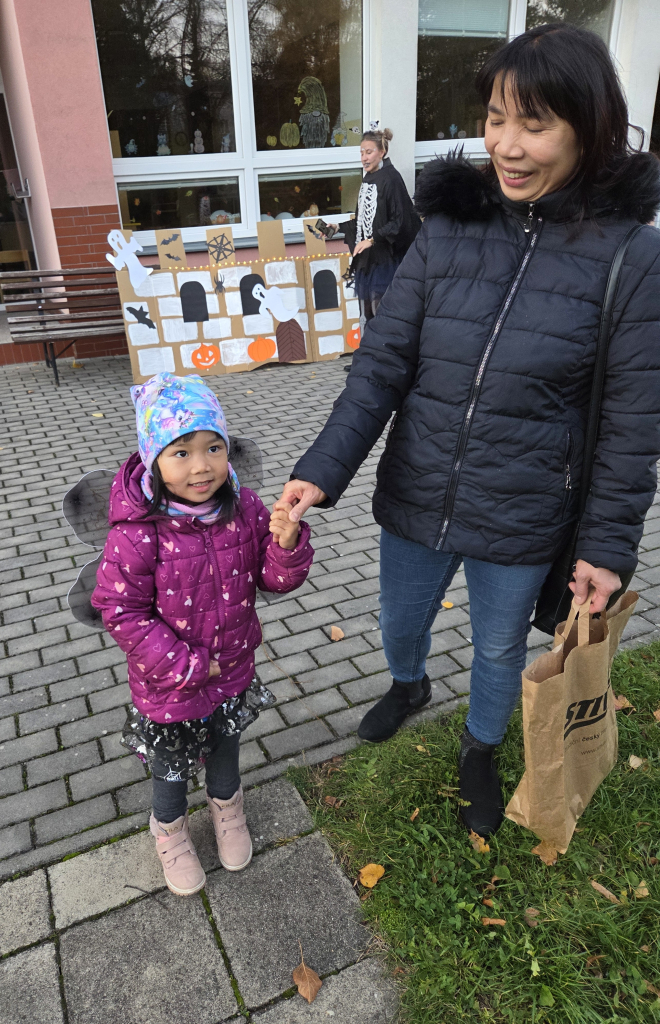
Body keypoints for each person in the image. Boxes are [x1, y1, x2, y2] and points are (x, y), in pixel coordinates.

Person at [279, 24, 660, 838]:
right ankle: (409, 683)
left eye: (535, 124)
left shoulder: (633, 255)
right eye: (495, 118)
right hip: (418, 487)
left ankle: (480, 749)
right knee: (399, 622)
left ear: (588, 128)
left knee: (494, 652)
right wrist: (322, 465)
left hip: (523, 509)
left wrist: (608, 545)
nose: (507, 147)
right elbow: (381, 364)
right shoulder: (447, 229)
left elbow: (634, 422)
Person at [92, 373, 313, 894]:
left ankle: (228, 812)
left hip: (233, 671)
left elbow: (275, 579)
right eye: (181, 452)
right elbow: (120, 611)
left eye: (213, 447)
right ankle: (169, 832)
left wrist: (286, 543)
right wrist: (187, 665)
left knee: (226, 750)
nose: (201, 465)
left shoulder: (245, 509)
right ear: (153, 460)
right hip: (169, 684)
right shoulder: (137, 532)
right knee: (170, 769)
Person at [325, 126, 421, 323]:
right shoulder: (369, 178)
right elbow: (363, 221)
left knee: (383, 314)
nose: (364, 158)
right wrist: (336, 228)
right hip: (369, 260)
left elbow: (400, 221)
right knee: (367, 314)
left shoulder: (391, 179)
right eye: (361, 153)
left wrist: (372, 240)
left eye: (369, 152)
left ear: (382, 152)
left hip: (386, 261)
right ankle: (371, 352)